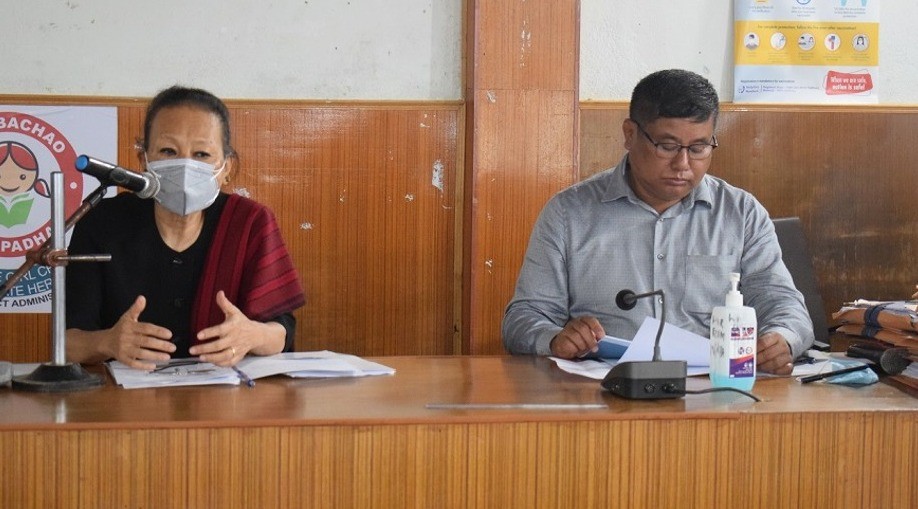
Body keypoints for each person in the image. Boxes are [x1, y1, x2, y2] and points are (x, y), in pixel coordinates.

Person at [502, 69, 814, 375]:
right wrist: (556, 338)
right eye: (667, 146)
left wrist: (782, 338)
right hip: (604, 395)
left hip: (714, 392)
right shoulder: (569, 214)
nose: (683, 164)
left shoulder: (742, 214)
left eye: (699, 148)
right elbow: (524, 318)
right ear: (629, 134)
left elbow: (785, 306)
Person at [66, 85, 306, 371]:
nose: (185, 166)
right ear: (144, 159)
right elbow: (68, 342)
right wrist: (107, 342)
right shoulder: (102, 222)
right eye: (168, 151)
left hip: (227, 400)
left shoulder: (250, 222)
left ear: (227, 167)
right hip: (123, 399)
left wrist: (252, 335)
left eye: (202, 154)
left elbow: (282, 330)